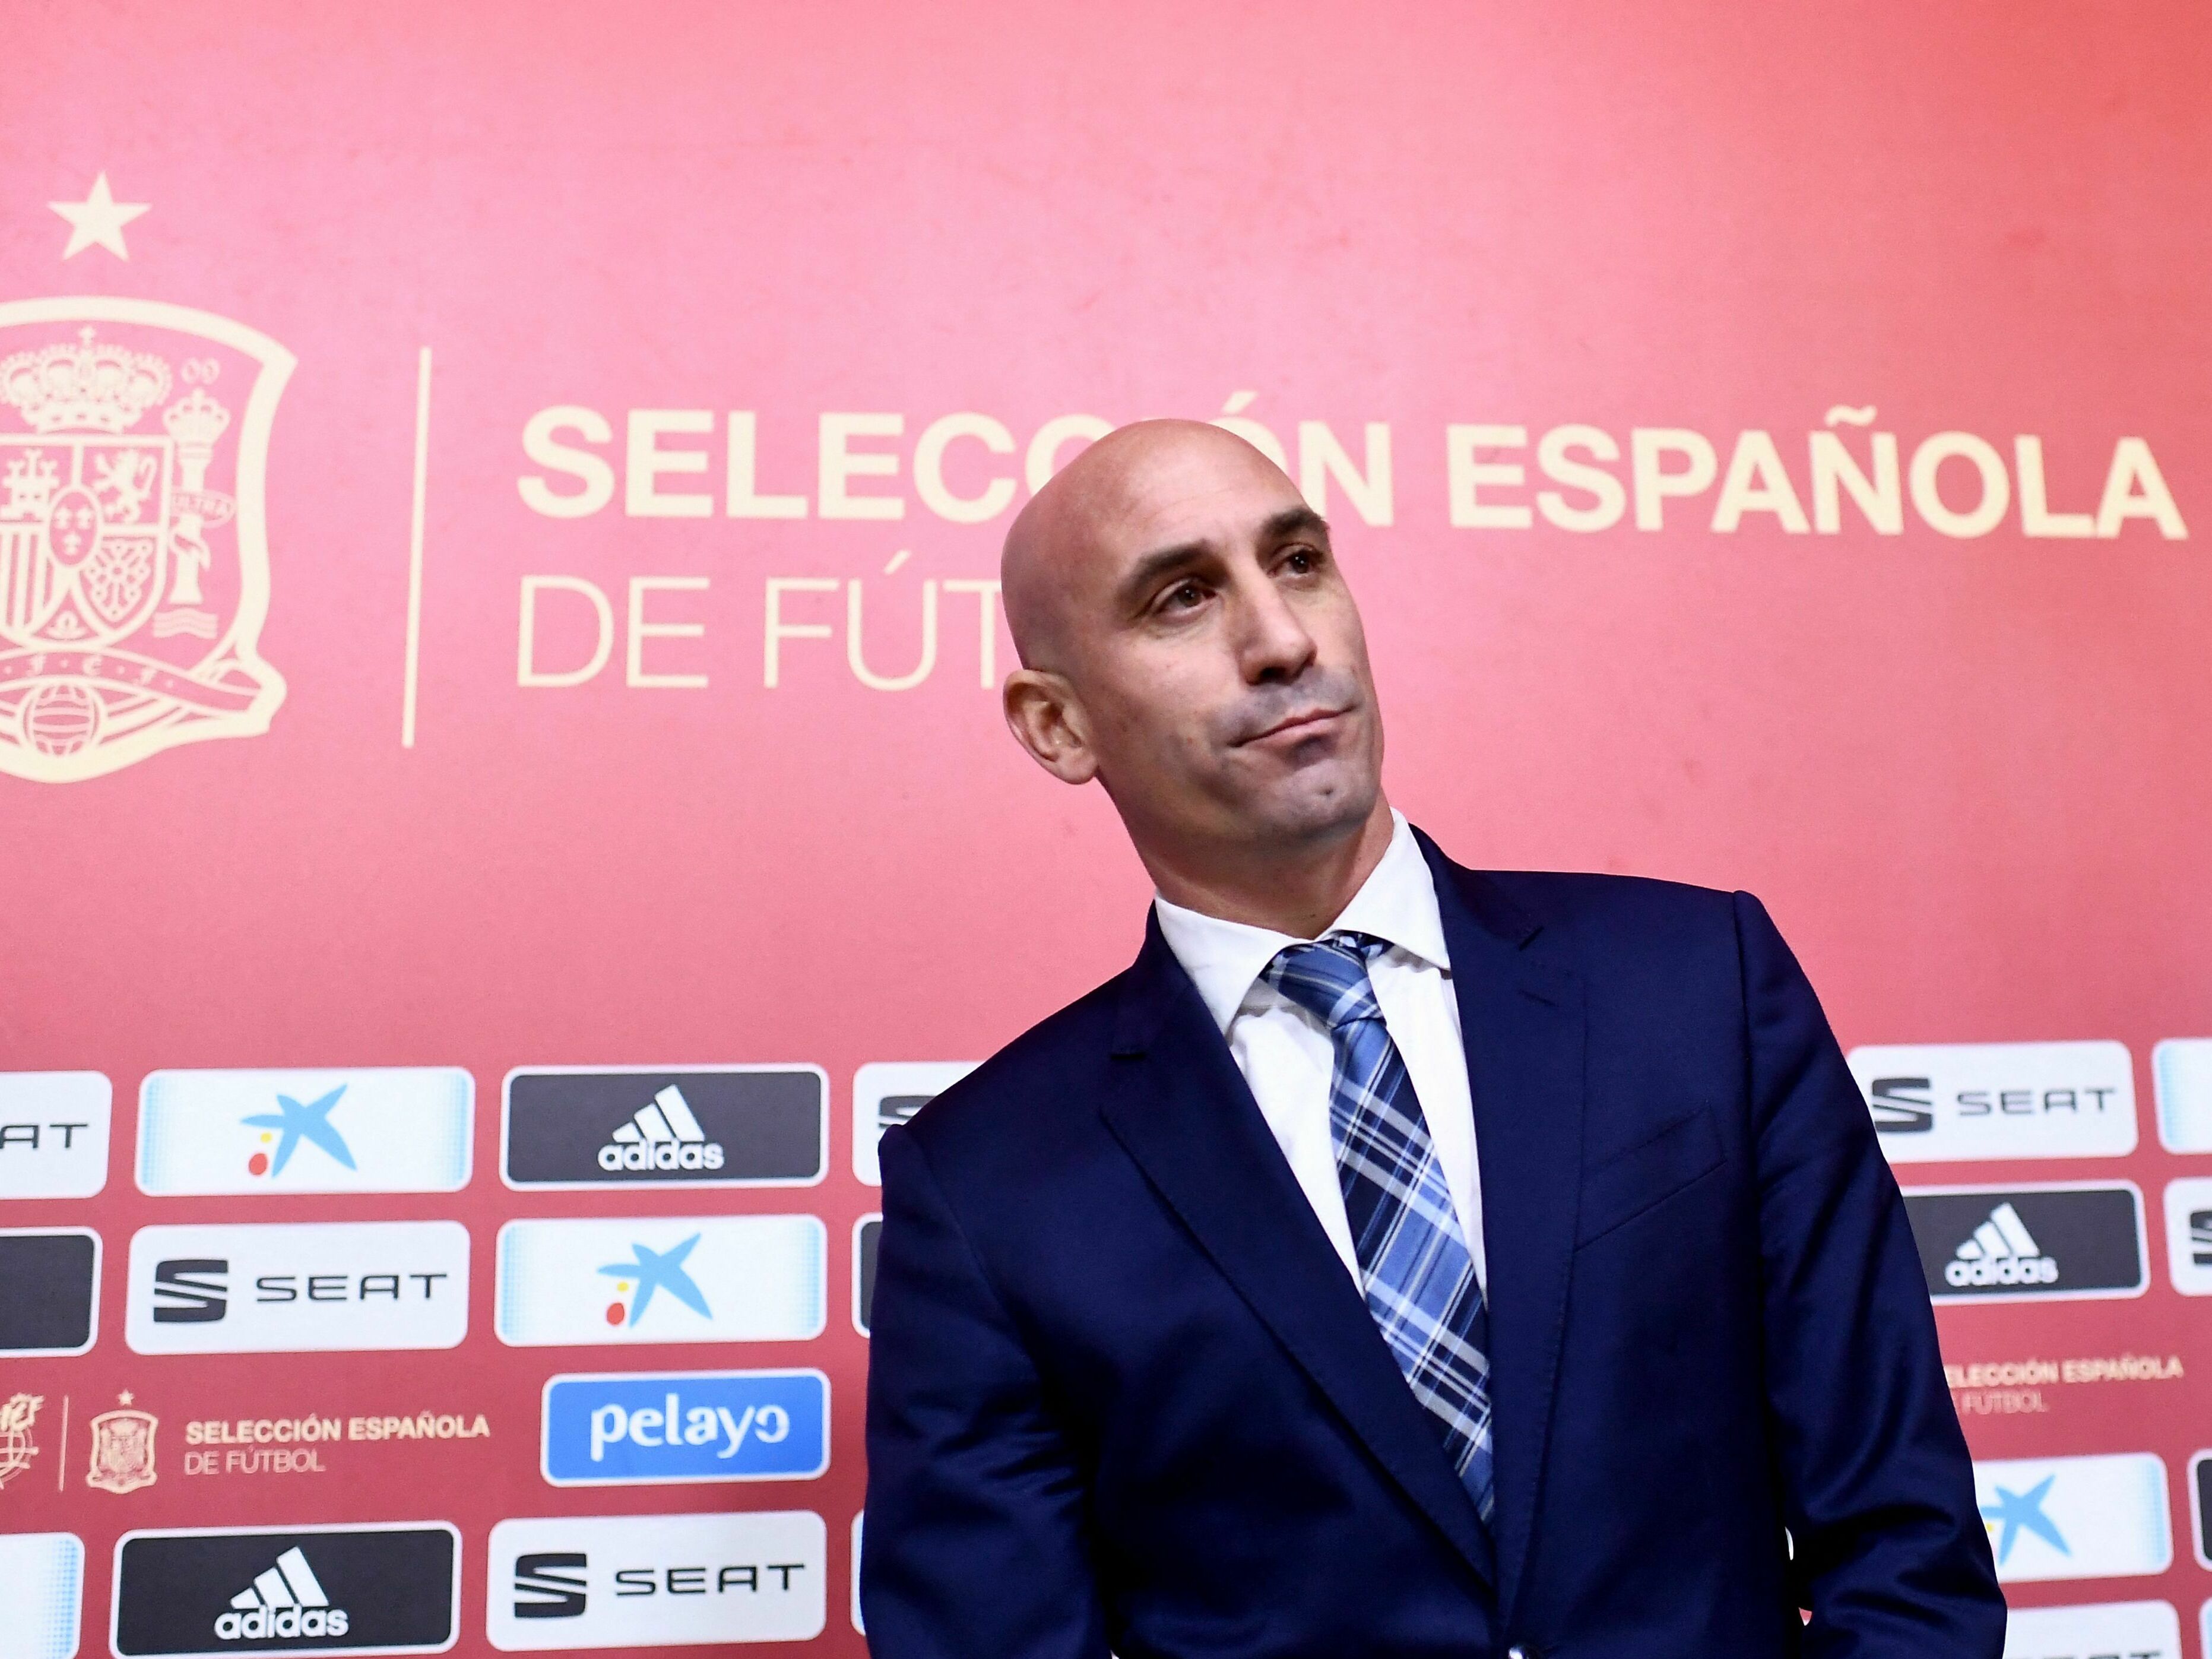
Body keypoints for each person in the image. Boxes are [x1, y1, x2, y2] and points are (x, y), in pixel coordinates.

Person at [860, 420, 2002, 1658]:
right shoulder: (985, 1185)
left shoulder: (1699, 988)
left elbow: (1905, 1548)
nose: (1283, 639)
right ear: (1056, 725)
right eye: (1184, 597)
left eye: (1298, 561)